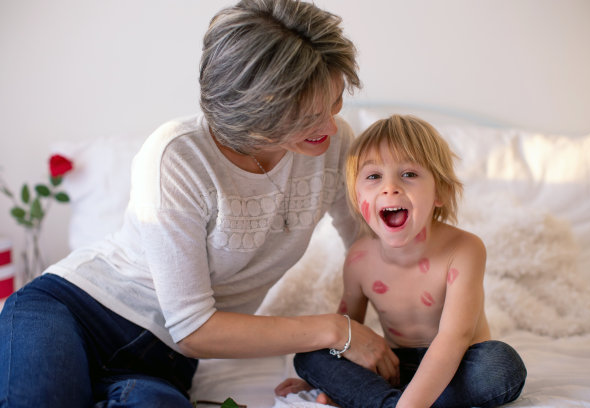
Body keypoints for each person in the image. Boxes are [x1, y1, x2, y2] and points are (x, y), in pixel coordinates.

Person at [0, 1, 400, 407]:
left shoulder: (335, 146)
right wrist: (335, 331)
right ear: (254, 107)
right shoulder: (177, 155)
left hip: (162, 362)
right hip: (76, 309)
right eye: (309, 116)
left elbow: (370, 255)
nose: (330, 126)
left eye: (334, 104)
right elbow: (193, 328)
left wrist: (356, 368)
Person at [275, 115, 527, 407]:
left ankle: (385, 403)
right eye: (373, 176)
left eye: (408, 174)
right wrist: (323, 374)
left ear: (440, 192)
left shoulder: (465, 249)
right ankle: (391, 399)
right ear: (356, 197)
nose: (390, 187)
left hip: (458, 362)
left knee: (501, 365)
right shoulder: (359, 258)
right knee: (310, 354)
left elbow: (454, 338)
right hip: (393, 367)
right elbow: (348, 328)